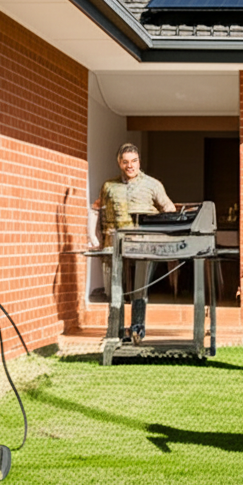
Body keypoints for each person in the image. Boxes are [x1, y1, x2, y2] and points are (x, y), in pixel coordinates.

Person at [97, 143, 175, 342]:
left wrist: (161, 234)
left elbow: (169, 208)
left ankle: (137, 329)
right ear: (119, 163)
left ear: (139, 162)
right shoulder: (109, 186)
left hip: (143, 244)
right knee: (115, 287)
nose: (130, 166)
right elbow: (101, 214)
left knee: (139, 288)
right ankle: (115, 329)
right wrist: (97, 240)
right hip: (114, 244)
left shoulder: (153, 184)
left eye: (133, 161)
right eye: (125, 162)